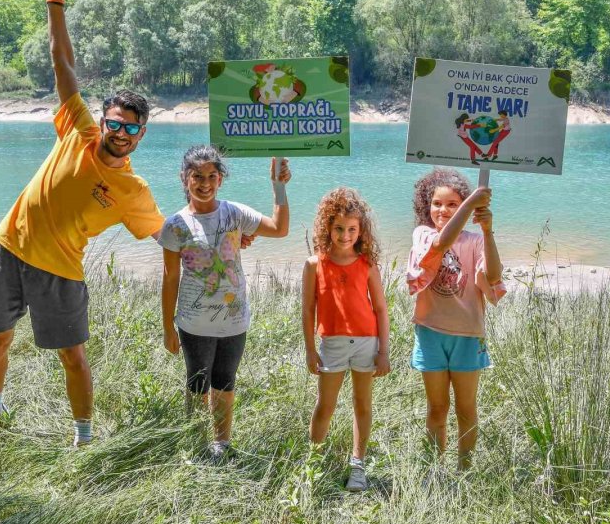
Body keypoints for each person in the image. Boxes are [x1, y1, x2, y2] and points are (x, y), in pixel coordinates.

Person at [0, 0, 170, 447]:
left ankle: (84, 437)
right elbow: (63, 63)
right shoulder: (78, 131)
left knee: (72, 356)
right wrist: (55, 0)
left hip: (61, 273)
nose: (120, 132)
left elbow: (166, 233)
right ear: (102, 121)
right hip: (8, 249)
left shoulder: (133, 192)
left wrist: (227, 227)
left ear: (141, 135)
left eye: (131, 127)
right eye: (115, 122)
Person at [160, 146, 291, 461]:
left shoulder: (234, 213)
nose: (204, 183)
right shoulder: (175, 225)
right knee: (196, 384)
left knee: (224, 383)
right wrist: (167, 326)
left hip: (234, 320)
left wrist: (279, 186)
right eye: (197, 177)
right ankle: (194, 440)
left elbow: (280, 229)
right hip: (193, 323)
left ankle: (222, 444)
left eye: (211, 176)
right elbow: (169, 279)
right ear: (184, 178)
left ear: (220, 179)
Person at [406, 168, 505, 471]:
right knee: (437, 408)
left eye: (452, 204)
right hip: (431, 333)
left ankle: (465, 470)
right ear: (427, 206)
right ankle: (435, 469)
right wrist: (471, 202)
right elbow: (441, 245)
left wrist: (488, 232)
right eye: (437, 203)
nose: (443, 210)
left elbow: (494, 276)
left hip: (467, 336)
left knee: (465, 408)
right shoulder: (424, 233)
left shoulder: (474, 241)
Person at [302, 188, 390, 492]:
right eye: (339, 228)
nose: (344, 235)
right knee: (325, 405)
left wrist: (384, 351)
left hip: (366, 342)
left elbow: (380, 308)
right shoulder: (315, 263)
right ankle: (312, 462)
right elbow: (308, 308)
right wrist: (310, 350)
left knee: (362, 404)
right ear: (328, 227)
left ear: (360, 231)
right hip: (331, 344)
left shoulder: (367, 264)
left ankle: (358, 465)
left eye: (352, 229)